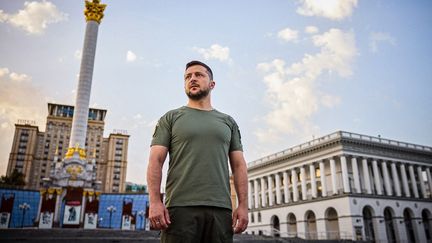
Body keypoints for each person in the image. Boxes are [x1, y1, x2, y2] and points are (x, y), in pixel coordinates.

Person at [147, 60, 249, 243]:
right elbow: (155, 161)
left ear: (212, 84)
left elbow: (239, 165)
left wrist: (243, 205)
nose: (192, 79)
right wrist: (155, 201)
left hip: (220, 209)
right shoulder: (170, 118)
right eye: (187, 76)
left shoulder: (228, 122)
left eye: (199, 75)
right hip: (179, 208)